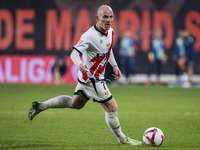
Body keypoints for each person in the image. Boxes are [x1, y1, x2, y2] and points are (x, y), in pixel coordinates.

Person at [28, 5, 141, 145]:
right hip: (93, 79)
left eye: (111, 17)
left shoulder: (110, 32)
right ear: (97, 18)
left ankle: (41, 106)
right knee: (112, 107)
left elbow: (108, 49)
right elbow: (74, 53)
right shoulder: (89, 36)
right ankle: (122, 139)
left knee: (75, 103)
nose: (108, 20)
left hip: (88, 78)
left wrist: (115, 65)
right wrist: (80, 64)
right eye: (105, 17)